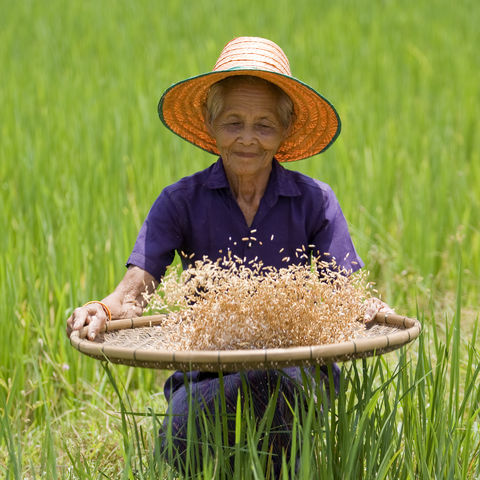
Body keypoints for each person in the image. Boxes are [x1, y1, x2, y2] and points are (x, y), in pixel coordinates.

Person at [66, 36, 393, 475]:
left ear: (285, 130)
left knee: (272, 392)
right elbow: (132, 293)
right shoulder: (180, 202)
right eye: (233, 122)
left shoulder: (314, 201)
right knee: (184, 439)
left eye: (264, 125)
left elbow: (342, 296)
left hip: (296, 376)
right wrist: (100, 309)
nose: (247, 139)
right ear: (210, 123)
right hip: (206, 376)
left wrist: (364, 307)